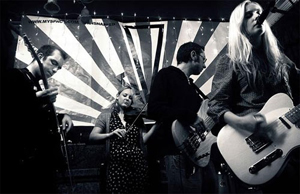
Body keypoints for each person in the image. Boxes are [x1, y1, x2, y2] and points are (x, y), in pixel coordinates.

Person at [207, 0, 300, 193]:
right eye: (249, 15)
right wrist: (242, 123)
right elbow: (216, 105)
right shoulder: (230, 61)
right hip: (258, 148)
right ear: (239, 25)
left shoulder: (282, 60)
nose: (257, 16)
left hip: (291, 141)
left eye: (258, 13)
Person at [1, 44, 74, 193]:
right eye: (54, 63)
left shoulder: (37, 85)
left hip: (41, 163)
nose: (55, 70)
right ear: (40, 57)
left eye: (59, 68)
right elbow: (9, 113)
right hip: (23, 165)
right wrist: (36, 99)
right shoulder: (14, 76)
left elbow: (37, 117)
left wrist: (61, 117)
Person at [147, 42, 213, 193]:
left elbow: (200, 117)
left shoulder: (190, 85)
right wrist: (189, 117)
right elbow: (154, 109)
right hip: (173, 150)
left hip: (194, 151)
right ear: (193, 55)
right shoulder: (166, 75)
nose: (204, 65)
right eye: (204, 59)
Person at [89, 86, 150, 193]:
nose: (127, 99)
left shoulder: (136, 118)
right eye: (124, 95)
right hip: (116, 168)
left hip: (137, 167)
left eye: (130, 98)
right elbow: (93, 136)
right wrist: (110, 134)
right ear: (117, 96)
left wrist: (158, 125)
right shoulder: (106, 116)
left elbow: (144, 140)